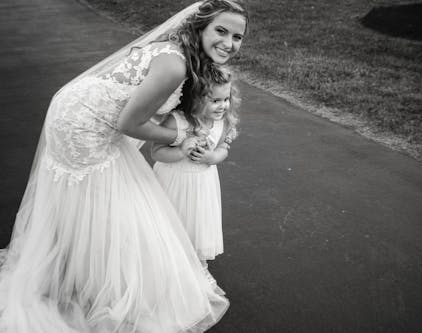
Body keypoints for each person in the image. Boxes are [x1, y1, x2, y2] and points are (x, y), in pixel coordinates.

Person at [0, 0, 248, 332]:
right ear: (200, 27)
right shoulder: (175, 64)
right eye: (221, 30)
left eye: (237, 36)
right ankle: (102, 287)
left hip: (75, 106)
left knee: (95, 200)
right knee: (121, 202)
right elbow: (129, 124)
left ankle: (77, 274)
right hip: (84, 124)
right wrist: (181, 137)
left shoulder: (180, 51)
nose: (229, 43)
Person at [152, 64, 239, 286]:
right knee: (171, 223)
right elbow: (157, 152)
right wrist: (181, 150)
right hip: (173, 180)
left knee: (198, 223)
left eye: (226, 99)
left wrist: (213, 157)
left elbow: (223, 148)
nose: (223, 106)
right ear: (196, 98)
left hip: (202, 183)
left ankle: (199, 264)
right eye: (215, 100)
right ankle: (167, 262)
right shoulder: (177, 121)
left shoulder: (222, 121)